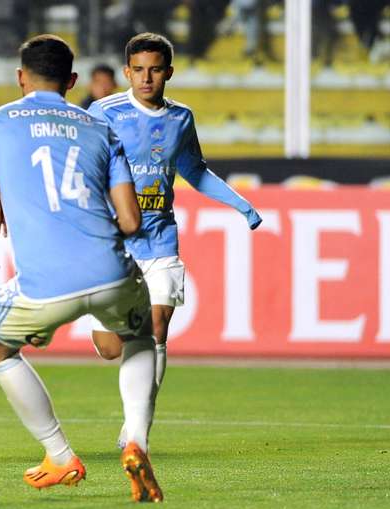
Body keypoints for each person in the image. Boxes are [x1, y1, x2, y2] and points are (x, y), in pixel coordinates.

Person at [0, 34, 163, 503]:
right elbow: (131, 220)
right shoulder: (100, 128)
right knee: (137, 336)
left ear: (20, 78)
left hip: (43, 286)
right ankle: (137, 439)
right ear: (72, 81)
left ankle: (59, 454)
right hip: (113, 270)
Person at [87, 33, 262, 446]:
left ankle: (137, 427)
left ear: (169, 72)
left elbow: (195, 171)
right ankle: (135, 408)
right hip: (114, 243)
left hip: (160, 240)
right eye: (139, 70)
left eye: (155, 70)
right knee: (111, 347)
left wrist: (241, 205)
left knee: (157, 328)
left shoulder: (181, 118)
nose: (147, 78)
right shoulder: (103, 112)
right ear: (127, 72)